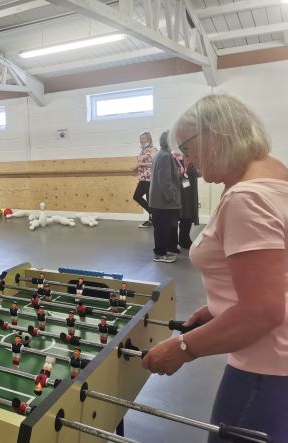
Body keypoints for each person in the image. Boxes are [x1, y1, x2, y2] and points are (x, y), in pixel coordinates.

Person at [142, 94, 288, 443]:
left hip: (264, 369)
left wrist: (183, 349)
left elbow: (262, 312)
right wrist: (216, 308)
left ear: (215, 136)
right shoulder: (276, 175)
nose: (188, 163)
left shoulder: (246, 198)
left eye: (189, 150)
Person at [149, 131, 181, 263]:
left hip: (159, 200)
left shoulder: (160, 154)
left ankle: (166, 249)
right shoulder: (165, 156)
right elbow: (165, 181)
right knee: (163, 228)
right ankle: (160, 254)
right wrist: (172, 197)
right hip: (163, 201)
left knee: (163, 227)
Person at [172, 151, 200, 249]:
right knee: (179, 215)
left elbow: (197, 173)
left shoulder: (189, 158)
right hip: (179, 192)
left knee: (188, 214)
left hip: (189, 191)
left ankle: (184, 238)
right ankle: (178, 241)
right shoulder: (172, 159)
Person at [131, 132, 157, 228]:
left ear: (148, 139)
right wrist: (136, 168)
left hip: (150, 178)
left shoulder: (152, 149)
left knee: (139, 197)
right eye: (140, 138)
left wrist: (140, 165)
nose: (141, 140)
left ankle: (153, 217)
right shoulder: (143, 151)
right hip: (143, 178)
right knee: (138, 197)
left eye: (143, 138)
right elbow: (141, 163)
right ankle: (153, 217)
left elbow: (155, 163)